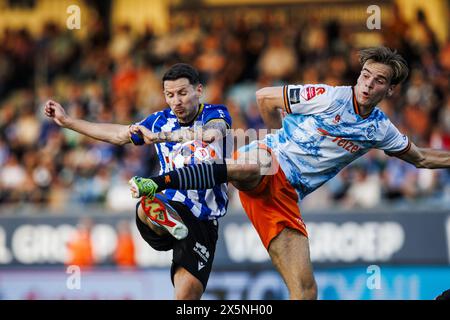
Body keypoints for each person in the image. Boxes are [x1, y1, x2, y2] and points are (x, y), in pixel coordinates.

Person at [130, 47, 450, 300]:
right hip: (268, 157)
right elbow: (265, 97)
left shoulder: (381, 129)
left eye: (378, 80)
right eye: (365, 75)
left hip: (284, 196)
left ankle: (178, 186)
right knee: (251, 163)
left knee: (306, 291)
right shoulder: (329, 97)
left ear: (391, 89)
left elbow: (422, 159)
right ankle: (160, 183)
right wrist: (279, 136)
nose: (367, 84)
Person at [44, 63, 232, 300]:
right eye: (170, 95)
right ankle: (161, 218)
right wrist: (69, 121)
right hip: (174, 202)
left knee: (186, 298)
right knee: (146, 199)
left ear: (199, 90)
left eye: (183, 93)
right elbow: (117, 134)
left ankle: (168, 222)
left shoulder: (217, 113)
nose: (176, 101)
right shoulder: (158, 120)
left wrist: (162, 137)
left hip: (203, 221)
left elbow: (211, 134)